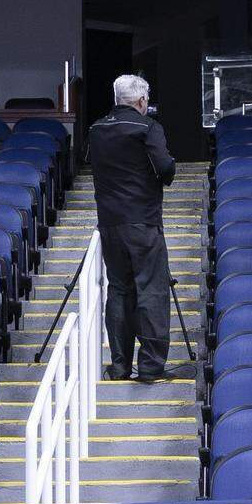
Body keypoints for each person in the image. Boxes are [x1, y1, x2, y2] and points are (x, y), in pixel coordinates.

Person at [88, 74, 177, 383]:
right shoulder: (148, 128)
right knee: (151, 289)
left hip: (110, 223)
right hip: (143, 221)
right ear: (141, 101)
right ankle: (151, 366)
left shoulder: (96, 129)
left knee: (119, 289)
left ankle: (120, 366)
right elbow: (165, 169)